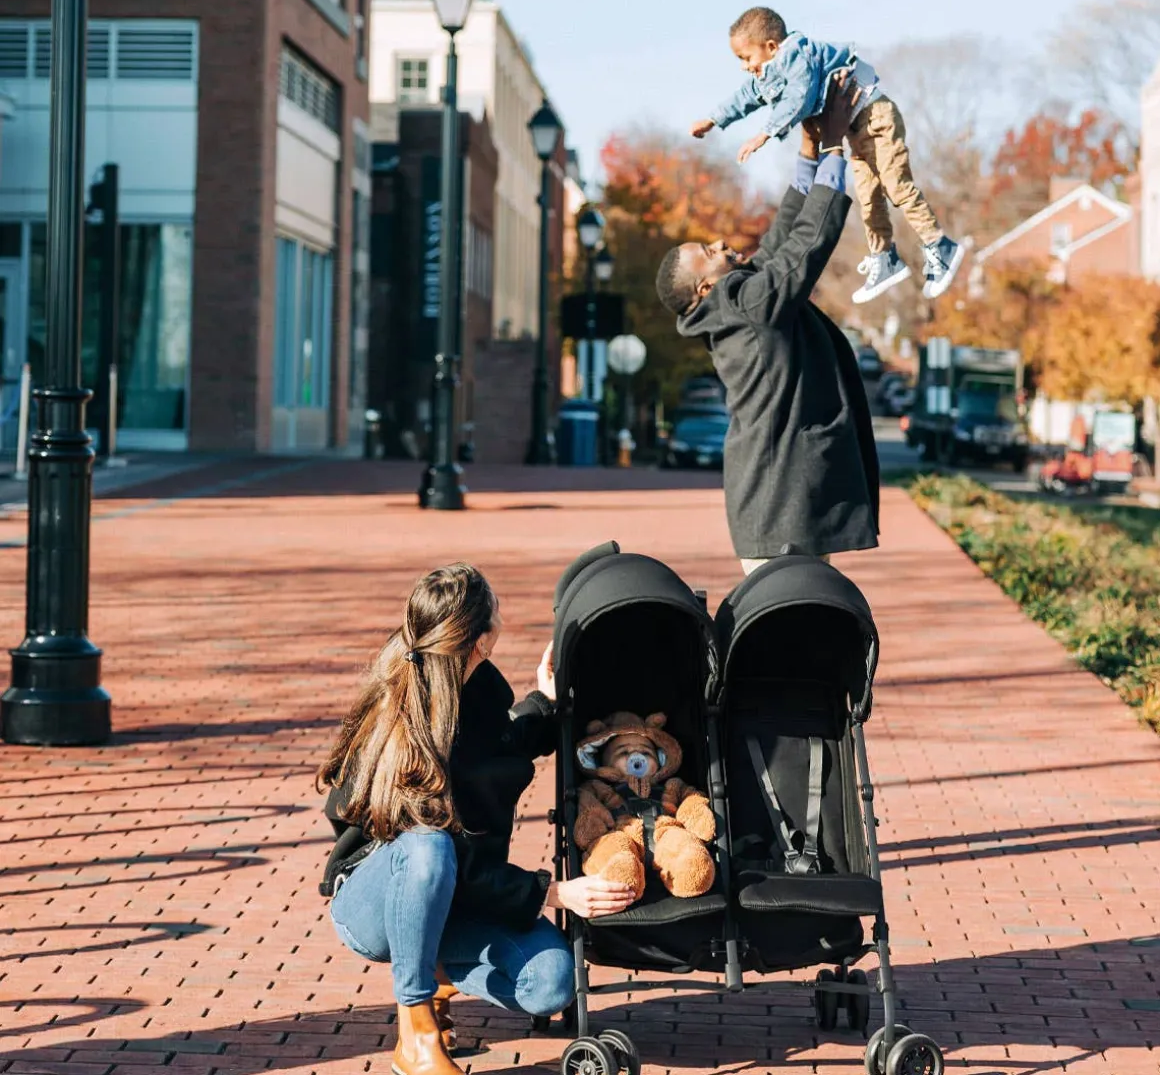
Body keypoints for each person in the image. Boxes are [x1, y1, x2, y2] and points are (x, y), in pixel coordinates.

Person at [317, 564, 636, 1075]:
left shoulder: (480, 685)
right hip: (376, 901)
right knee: (429, 846)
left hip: (459, 899)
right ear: (482, 640)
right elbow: (443, 859)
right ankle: (416, 1031)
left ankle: (436, 969)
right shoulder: (400, 711)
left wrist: (545, 700)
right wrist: (550, 892)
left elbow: (502, 746)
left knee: (549, 982)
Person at [657, 76, 880, 575]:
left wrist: (809, 148)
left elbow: (781, 242)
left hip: (783, 509)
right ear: (703, 290)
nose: (717, 244)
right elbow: (804, 249)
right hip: (778, 512)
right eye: (707, 255)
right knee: (787, 644)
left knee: (806, 635)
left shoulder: (737, 303)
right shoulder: (741, 308)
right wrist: (836, 151)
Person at [690, 6, 964, 304]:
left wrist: (764, 134)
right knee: (868, 195)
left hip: (876, 117)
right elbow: (745, 96)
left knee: (895, 185)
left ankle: (939, 243)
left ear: (771, 47)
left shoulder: (796, 57)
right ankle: (884, 257)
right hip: (855, 129)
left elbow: (799, 97)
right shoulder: (770, 70)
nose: (744, 66)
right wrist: (715, 119)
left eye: (746, 58)